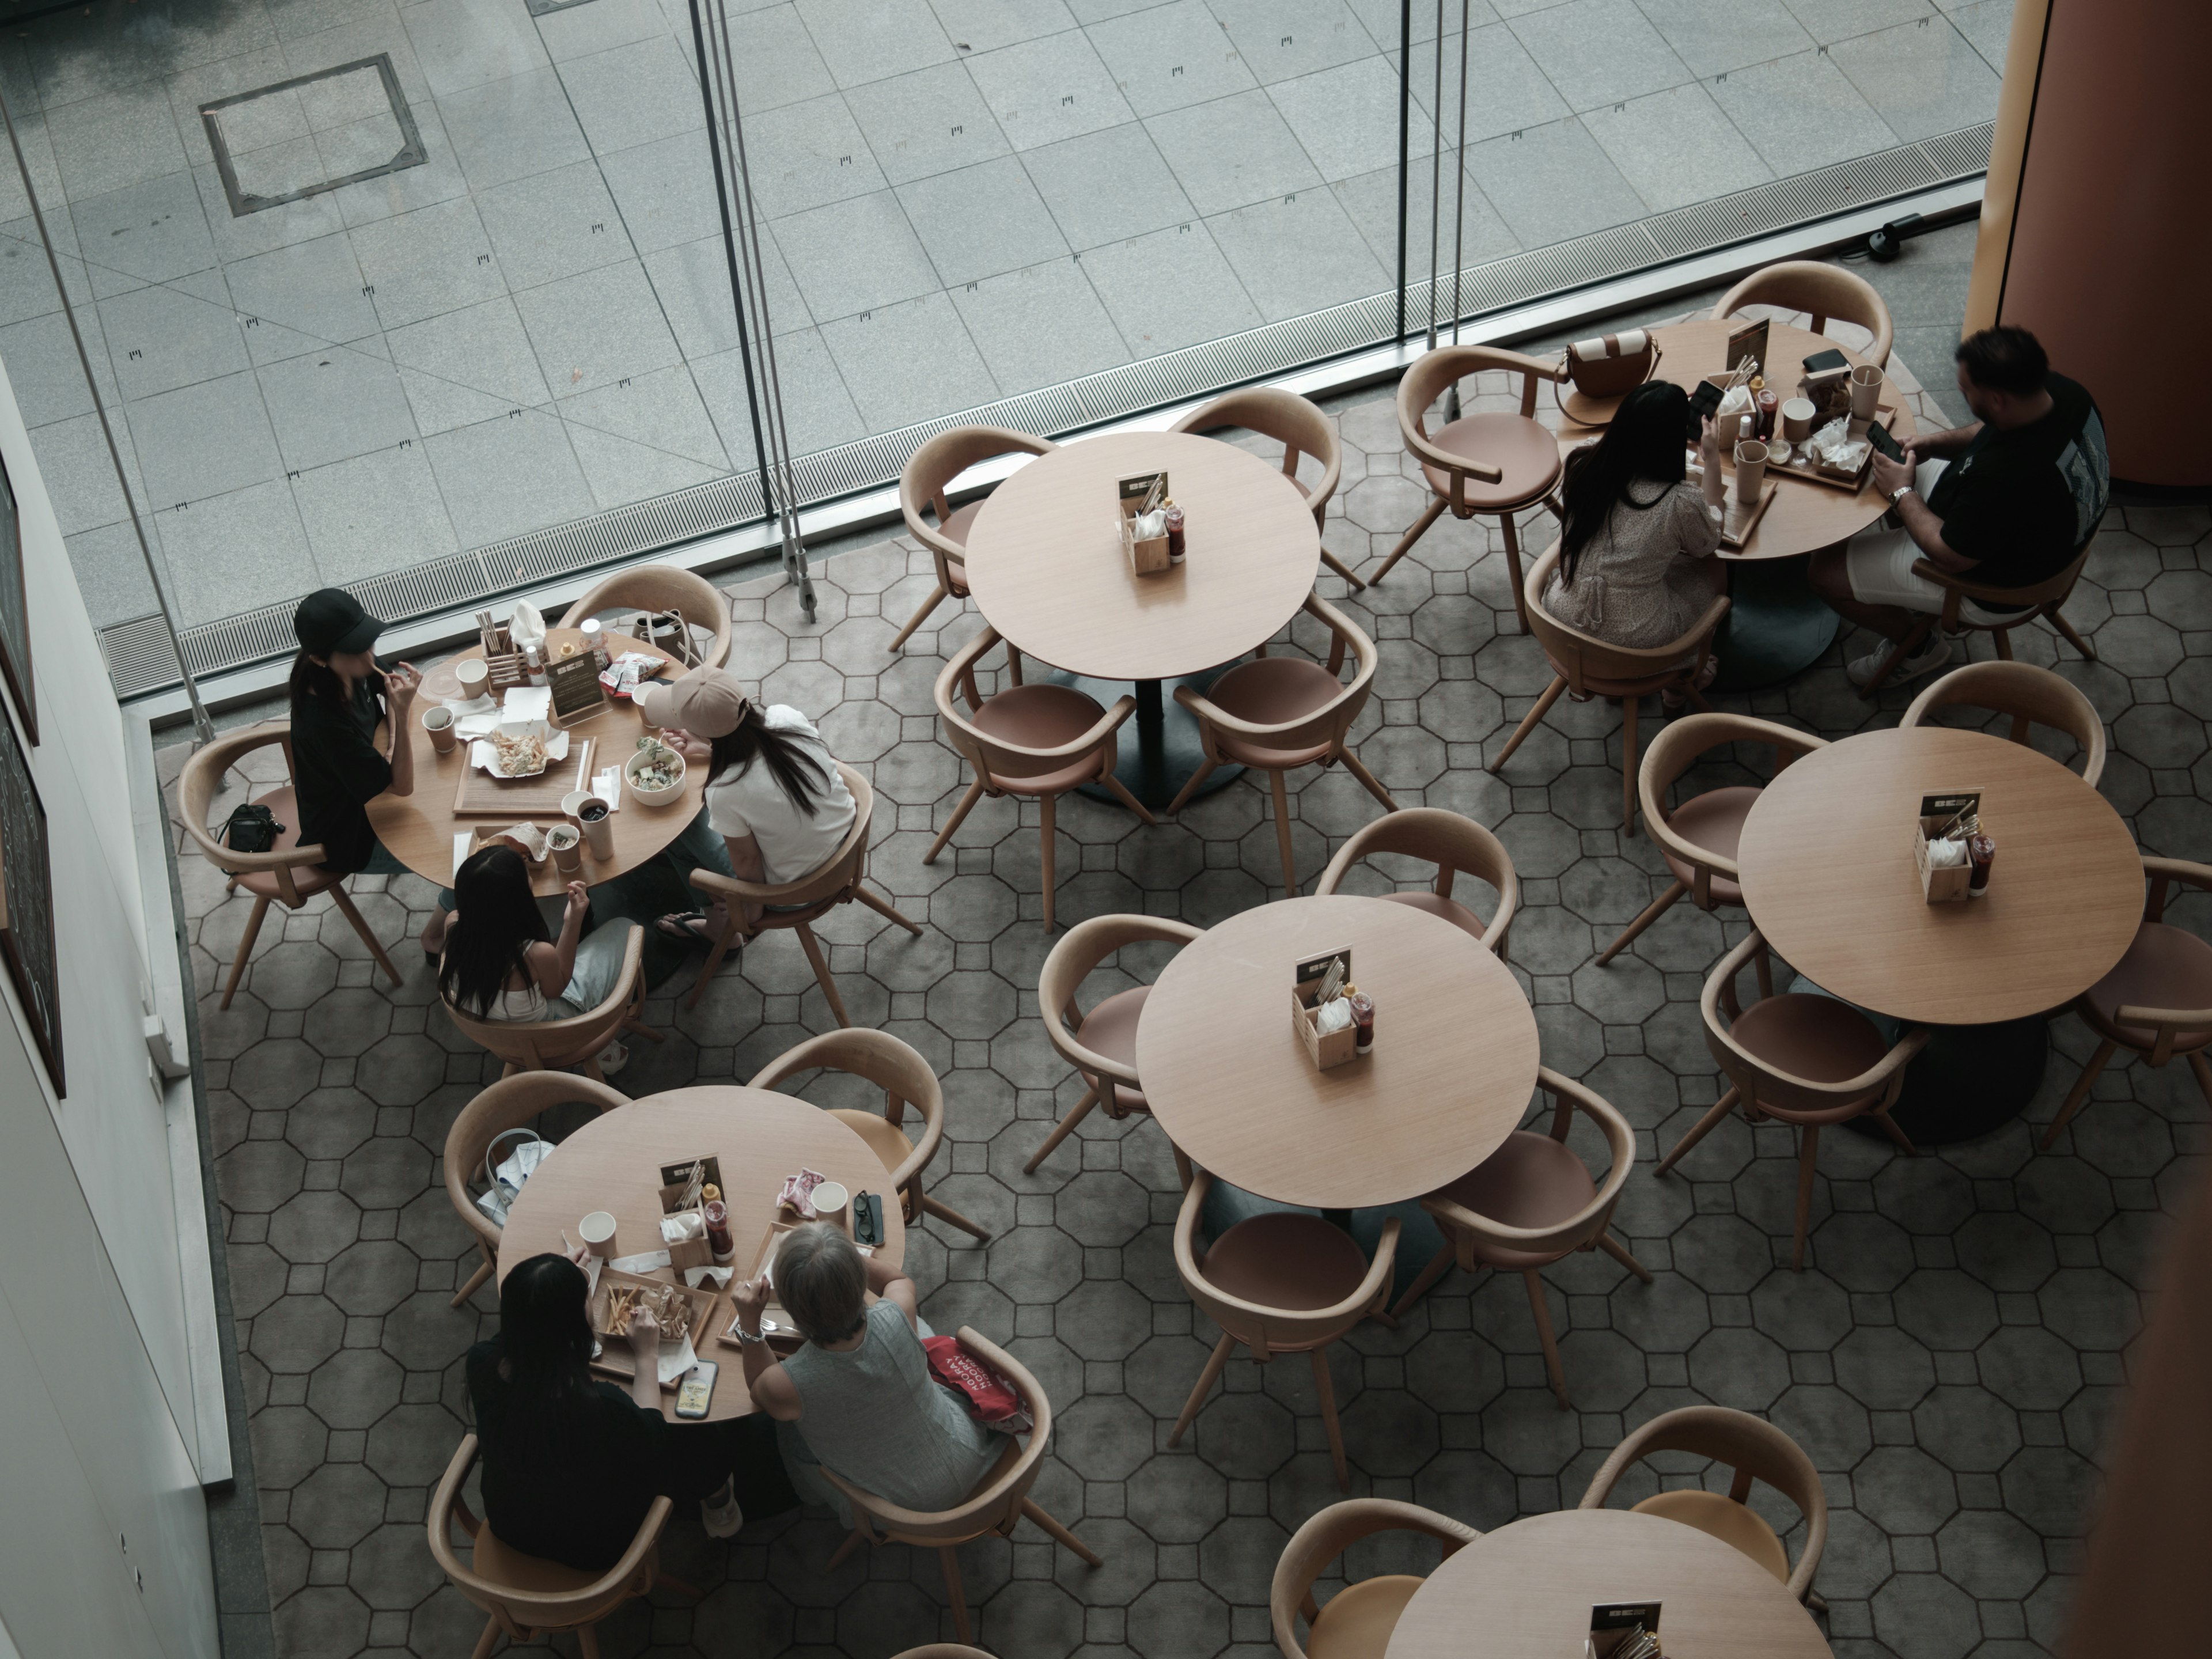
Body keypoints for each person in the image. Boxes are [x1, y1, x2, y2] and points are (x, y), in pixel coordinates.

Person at [1811, 325, 2109, 688]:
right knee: (1891, 469)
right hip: (2035, 532)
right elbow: (1988, 429)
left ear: (1998, 398)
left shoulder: (2007, 478)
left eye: (1966, 390)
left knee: (1824, 573)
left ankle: (1920, 648)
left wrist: (1903, 494)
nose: (1960, 390)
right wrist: (1929, 446)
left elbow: (1950, 556)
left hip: (1991, 587)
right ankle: (1901, 580)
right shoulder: (2065, 394)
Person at [466, 1253, 795, 1571]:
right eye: (585, 1298)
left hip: (510, 1523)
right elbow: (653, 1430)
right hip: (594, 1550)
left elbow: (532, 1321)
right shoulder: (600, 1407)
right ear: (573, 1333)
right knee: (692, 1430)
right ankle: (718, 1500)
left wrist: (550, 1280)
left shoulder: (482, 1361)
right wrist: (646, 1355)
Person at [728, 1222, 998, 1527]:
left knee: (788, 1428)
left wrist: (749, 1324)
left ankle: (811, 1494)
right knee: (918, 1328)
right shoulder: (896, 1313)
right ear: (858, 1282)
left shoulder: (789, 1383)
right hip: (968, 1452)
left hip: (901, 1509)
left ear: (789, 1306)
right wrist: (842, 1256)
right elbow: (898, 1279)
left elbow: (758, 1387)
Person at [637, 666, 857, 947]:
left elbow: (748, 862)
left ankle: (719, 930)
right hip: (849, 849)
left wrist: (751, 912)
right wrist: (711, 750)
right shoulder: (786, 717)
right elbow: (766, 771)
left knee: (679, 826)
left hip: (797, 893)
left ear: (695, 730)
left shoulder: (726, 791)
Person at [288, 589, 454, 957]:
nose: (368, 656)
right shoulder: (324, 724)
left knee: (457, 789)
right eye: (354, 650)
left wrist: (394, 739)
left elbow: (389, 689)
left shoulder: (352, 664)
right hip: (351, 835)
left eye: (367, 642)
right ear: (318, 659)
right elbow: (403, 785)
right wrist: (402, 714)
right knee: (461, 860)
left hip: (373, 790)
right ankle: (434, 938)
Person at [1543, 380, 1728, 699]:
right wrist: (1711, 458)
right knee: (1714, 571)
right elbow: (1708, 542)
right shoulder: (1678, 501)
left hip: (1562, 625)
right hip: (1636, 647)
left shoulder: (1582, 463)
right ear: (1675, 440)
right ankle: (1679, 680)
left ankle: (1613, 687)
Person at [438, 846, 639, 1071]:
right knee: (625, 927)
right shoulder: (535, 955)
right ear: (518, 899)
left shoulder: (453, 924)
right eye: (528, 875)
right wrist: (573, 921)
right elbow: (558, 987)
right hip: (555, 1032)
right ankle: (601, 1040)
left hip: (499, 1037)